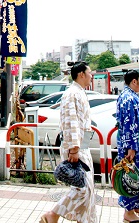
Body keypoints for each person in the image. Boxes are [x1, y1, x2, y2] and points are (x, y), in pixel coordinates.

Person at [40, 61, 97, 223]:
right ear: (81, 74)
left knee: (87, 188)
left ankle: (84, 220)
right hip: (76, 146)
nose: (91, 75)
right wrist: (74, 149)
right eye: (90, 72)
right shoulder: (72, 93)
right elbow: (71, 122)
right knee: (83, 189)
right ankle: (53, 214)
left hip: (80, 145)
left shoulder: (78, 92)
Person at [116, 69, 139, 223]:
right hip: (134, 145)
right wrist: (131, 147)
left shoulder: (131, 96)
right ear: (134, 81)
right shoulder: (128, 98)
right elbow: (130, 124)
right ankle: (128, 212)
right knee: (131, 177)